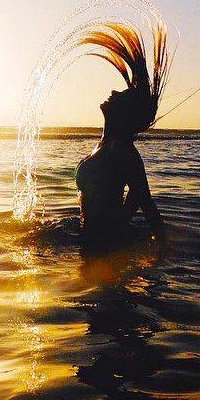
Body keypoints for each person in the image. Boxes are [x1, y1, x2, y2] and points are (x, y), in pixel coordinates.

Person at [74, 20, 170, 247]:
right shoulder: (105, 145)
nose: (113, 91)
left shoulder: (122, 150)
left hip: (107, 247)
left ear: (124, 113)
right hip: (94, 244)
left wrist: (161, 259)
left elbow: (145, 201)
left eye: (121, 95)